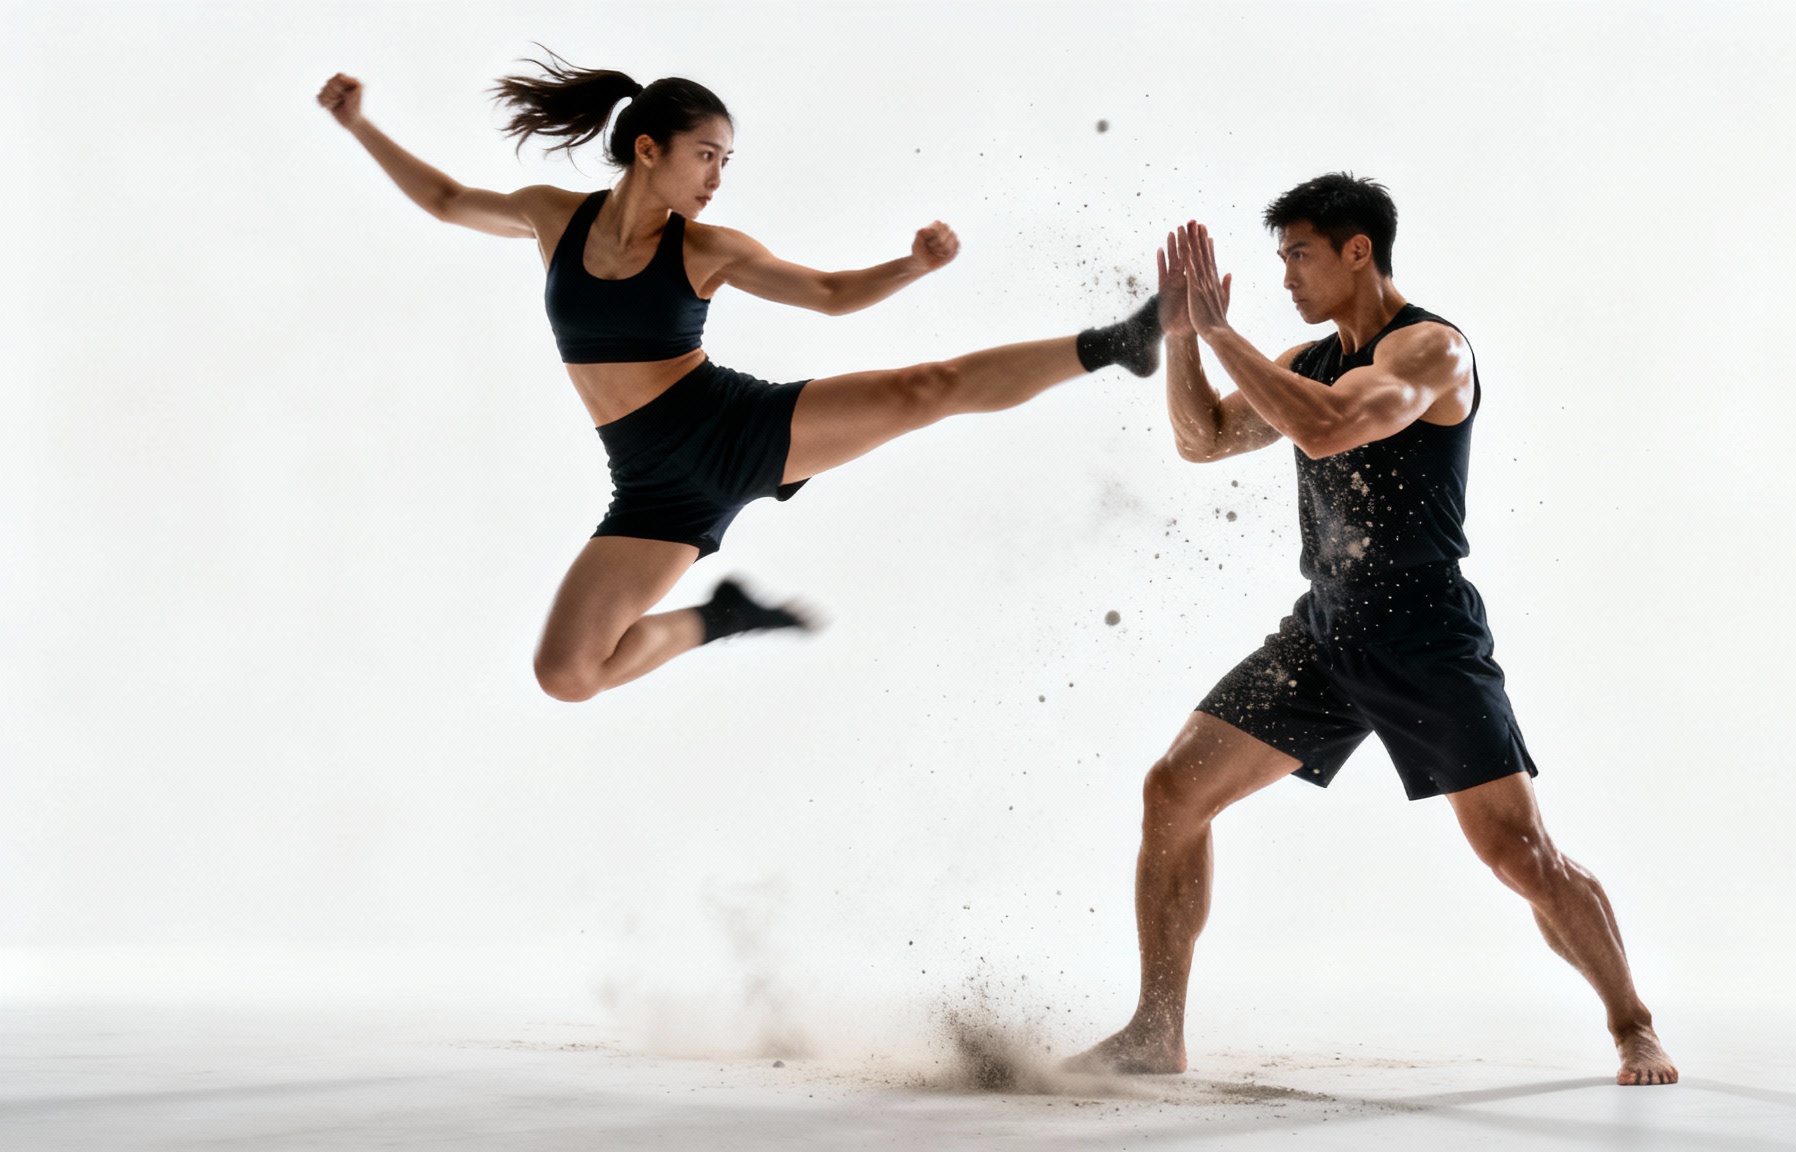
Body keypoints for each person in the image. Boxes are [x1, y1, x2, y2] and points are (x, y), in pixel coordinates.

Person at [1069, 174, 1677, 1086]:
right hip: (1325, 631)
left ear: (1359, 250)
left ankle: (1632, 1024)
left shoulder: (1431, 351)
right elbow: (1202, 442)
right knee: (1172, 792)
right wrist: (1189, 342)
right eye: (1279, 259)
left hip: (1424, 631)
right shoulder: (1308, 358)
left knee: (1521, 855)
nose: (1286, 277)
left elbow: (1327, 433)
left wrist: (1225, 333)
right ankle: (1157, 1029)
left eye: (1300, 255)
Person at [316, 54, 1160, 701]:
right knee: (568, 673)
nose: (717, 179)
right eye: (706, 156)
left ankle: (1113, 342)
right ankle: (722, 617)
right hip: (653, 492)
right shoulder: (552, 218)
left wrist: (909, 266)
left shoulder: (708, 249)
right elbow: (446, 198)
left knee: (923, 390)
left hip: (735, 428)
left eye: (727, 160)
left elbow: (829, 296)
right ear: (649, 150)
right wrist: (359, 123)